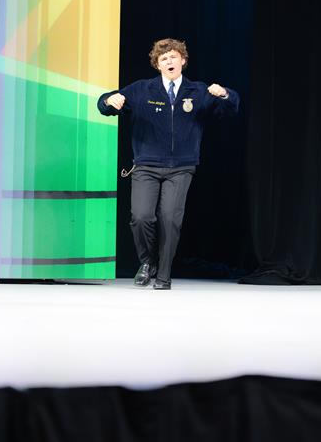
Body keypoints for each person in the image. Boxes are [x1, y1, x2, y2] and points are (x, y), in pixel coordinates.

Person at [97, 38, 239, 290]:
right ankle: (147, 262)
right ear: (157, 65)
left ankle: (163, 275)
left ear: (183, 60)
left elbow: (230, 109)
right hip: (146, 165)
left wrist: (225, 94)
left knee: (170, 220)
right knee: (141, 217)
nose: (169, 61)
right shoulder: (142, 89)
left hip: (181, 167)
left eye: (173, 57)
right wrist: (109, 100)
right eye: (163, 59)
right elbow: (105, 104)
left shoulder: (198, 91)